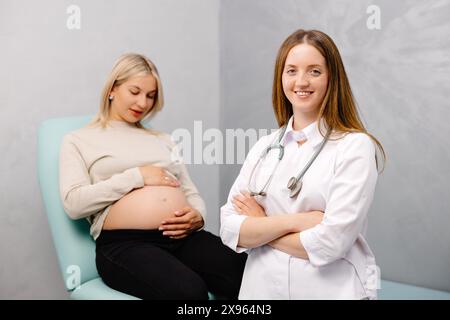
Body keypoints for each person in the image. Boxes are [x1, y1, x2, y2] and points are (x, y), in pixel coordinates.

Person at [59, 53, 246, 300]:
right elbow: (74, 203)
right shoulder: (79, 140)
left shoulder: (162, 139)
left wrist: (198, 216)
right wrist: (137, 177)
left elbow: (189, 191)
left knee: (247, 273)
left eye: (150, 95)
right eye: (134, 91)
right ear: (113, 89)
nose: (143, 103)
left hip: (182, 237)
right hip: (125, 244)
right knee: (189, 292)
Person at [220, 29, 385, 300]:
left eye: (315, 71)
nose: (301, 81)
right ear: (280, 77)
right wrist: (298, 222)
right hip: (261, 292)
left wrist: (261, 227)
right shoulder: (265, 147)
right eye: (292, 70)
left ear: (332, 78)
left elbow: (331, 243)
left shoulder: (355, 146)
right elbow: (229, 229)